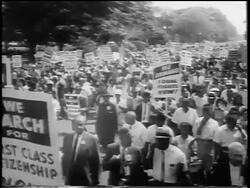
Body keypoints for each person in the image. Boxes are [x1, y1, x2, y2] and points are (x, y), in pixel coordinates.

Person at [61, 115, 100, 186]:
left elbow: (96, 161)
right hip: (70, 176)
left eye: (81, 124)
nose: (79, 127)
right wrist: (63, 173)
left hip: (84, 176)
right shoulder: (67, 138)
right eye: (77, 124)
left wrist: (95, 179)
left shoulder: (91, 139)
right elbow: (65, 157)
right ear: (73, 125)